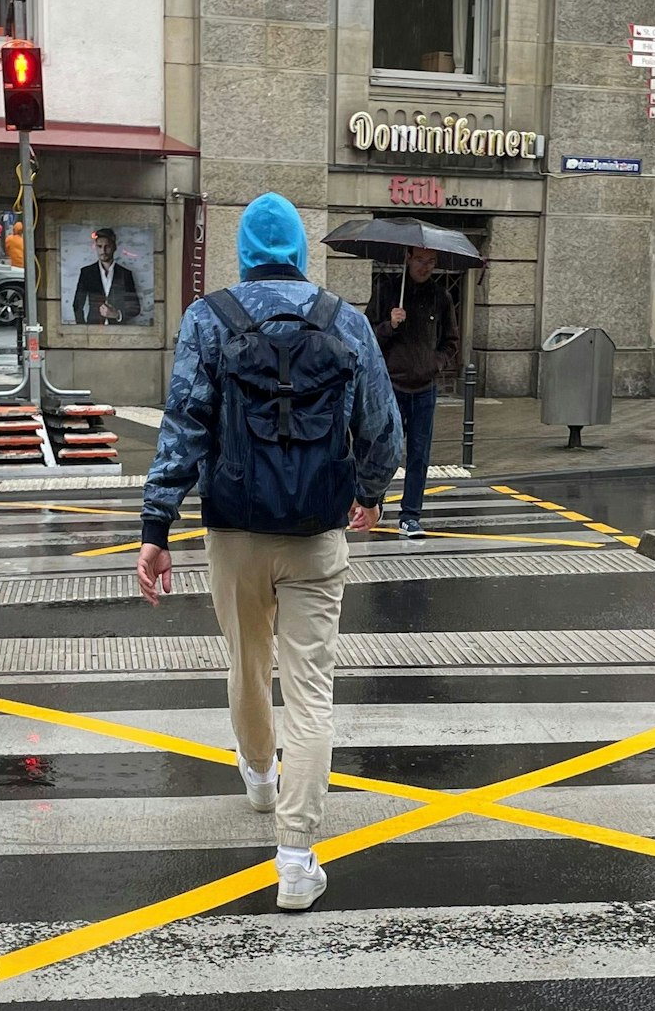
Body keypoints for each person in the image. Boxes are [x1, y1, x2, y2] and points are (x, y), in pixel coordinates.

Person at [136, 192, 402, 912]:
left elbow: (183, 426)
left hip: (234, 532)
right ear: (300, 254)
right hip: (317, 532)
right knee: (310, 690)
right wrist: (370, 493)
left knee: (247, 662)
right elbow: (384, 427)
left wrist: (156, 529)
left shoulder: (209, 318)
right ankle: (295, 859)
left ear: (247, 253)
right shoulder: (344, 321)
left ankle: (257, 775)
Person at [364, 247, 460, 539]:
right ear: (408, 258)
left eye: (431, 261)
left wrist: (436, 363)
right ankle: (375, 504)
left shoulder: (440, 296)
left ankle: (410, 515)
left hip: (424, 388)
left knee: (419, 453)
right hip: (391, 386)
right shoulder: (387, 290)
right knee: (384, 450)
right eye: (420, 260)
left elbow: (451, 340)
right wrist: (389, 325)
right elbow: (366, 334)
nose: (425, 266)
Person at [71, 227, 142, 324]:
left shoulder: (125, 274)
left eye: (107, 246)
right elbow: (77, 305)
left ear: (114, 247)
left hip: (119, 331)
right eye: (99, 246)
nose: (103, 251)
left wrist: (117, 314)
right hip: (93, 330)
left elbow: (135, 307)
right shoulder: (87, 273)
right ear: (95, 247)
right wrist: (83, 329)